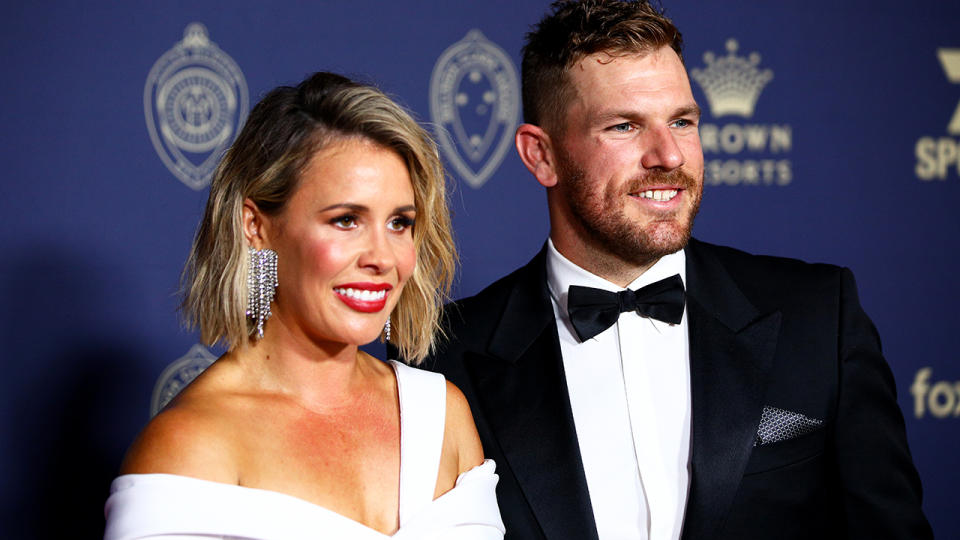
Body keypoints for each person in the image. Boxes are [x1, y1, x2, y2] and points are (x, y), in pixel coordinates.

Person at [422, 1, 933, 539]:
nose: (668, 155)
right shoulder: (444, 360)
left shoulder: (819, 317)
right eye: (623, 126)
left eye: (682, 121)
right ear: (541, 155)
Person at [104, 72, 505, 540]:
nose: (382, 257)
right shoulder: (191, 445)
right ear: (257, 227)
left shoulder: (442, 413)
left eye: (399, 223)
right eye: (346, 220)